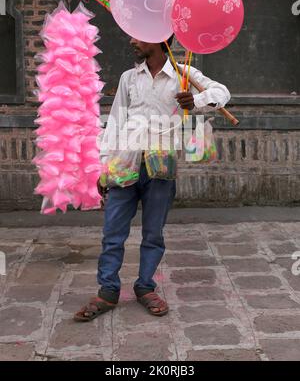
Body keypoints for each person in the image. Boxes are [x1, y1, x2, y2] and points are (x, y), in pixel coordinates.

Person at [74, 36, 230, 321]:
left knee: (153, 234)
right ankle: (107, 290)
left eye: (140, 36)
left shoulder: (184, 75)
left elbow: (222, 93)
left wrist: (195, 100)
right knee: (112, 233)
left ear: (159, 40)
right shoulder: (129, 78)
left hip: (160, 168)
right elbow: (116, 122)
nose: (132, 41)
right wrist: (102, 165)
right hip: (124, 163)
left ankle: (145, 287)